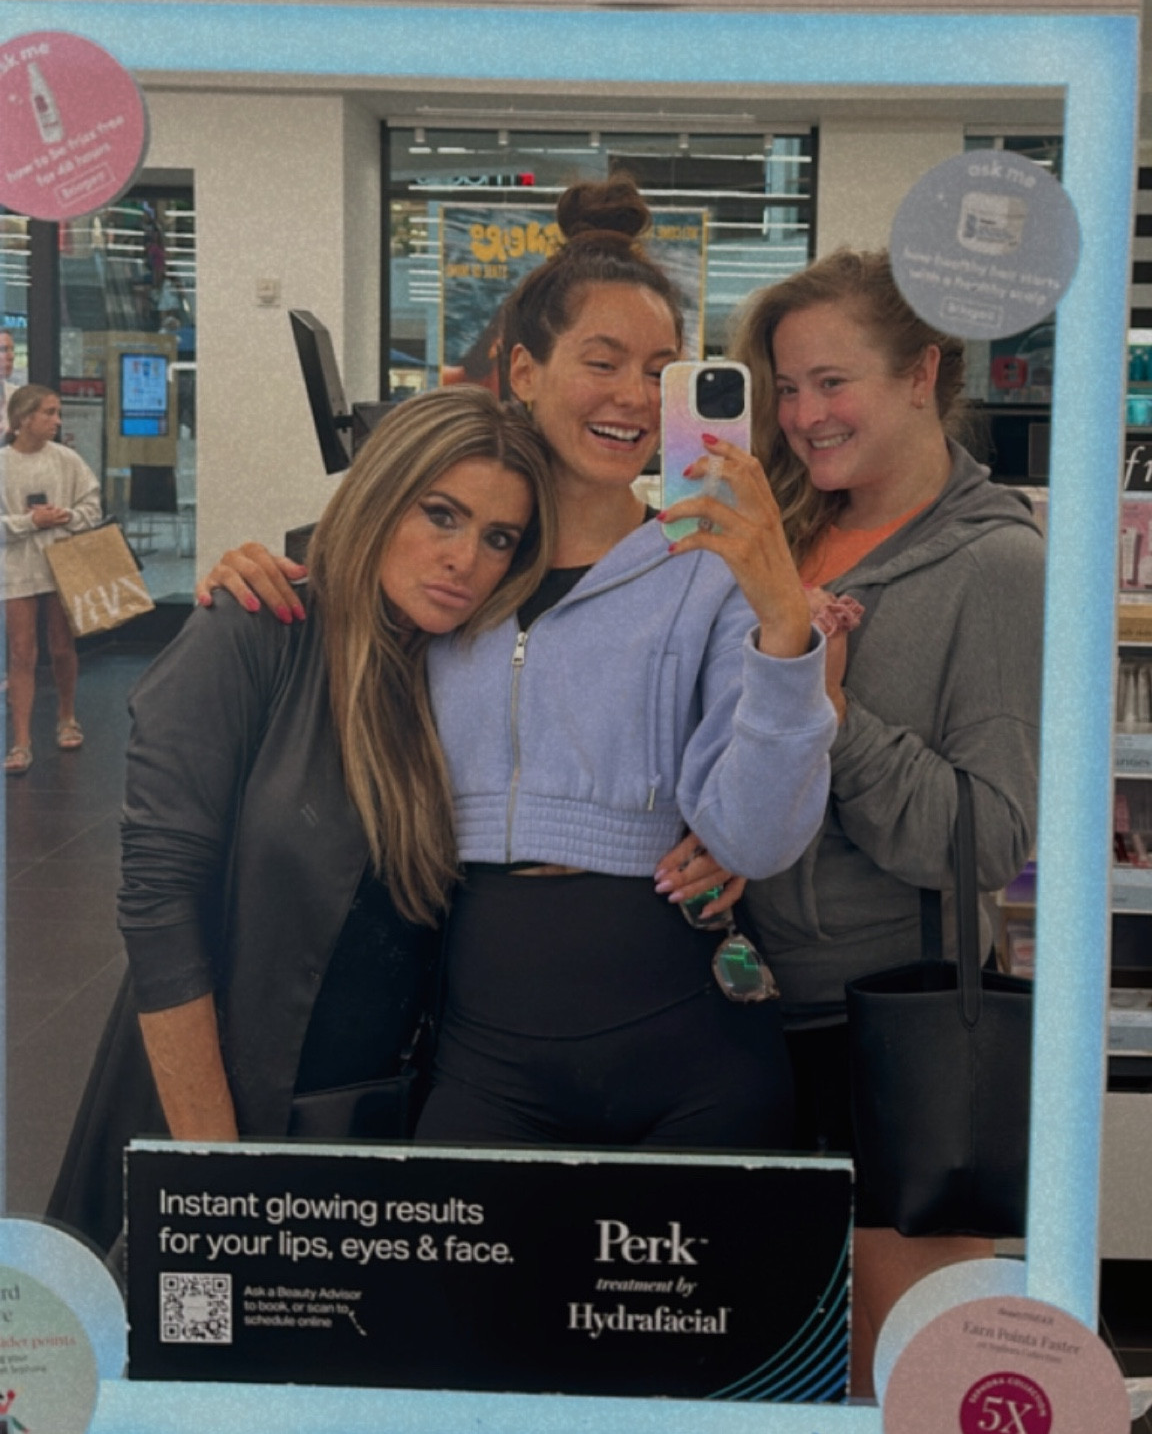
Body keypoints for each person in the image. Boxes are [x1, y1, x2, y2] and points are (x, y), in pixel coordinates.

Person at [199, 175, 838, 1151]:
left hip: (692, 1045)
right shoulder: (457, 568)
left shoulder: (709, 573)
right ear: (525, 370)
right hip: (483, 1042)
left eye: (659, 370)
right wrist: (254, 577)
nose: (633, 396)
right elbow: (344, 612)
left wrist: (785, 619)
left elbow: (753, 838)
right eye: (602, 361)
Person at [47, 387, 555, 1252]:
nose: (465, 558)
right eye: (441, 514)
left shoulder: (467, 674)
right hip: (211, 1111)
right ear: (379, 496)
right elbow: (159, 904)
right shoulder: (258, 629)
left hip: (376, 1123)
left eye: (499, 537)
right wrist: (214, 1171)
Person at [731, 249, 1045, 1397]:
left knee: (905, 1376)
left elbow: (985, 837)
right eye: (787, 387)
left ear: (923, 372)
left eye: (833, 381)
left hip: (894, 1028)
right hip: (739, 1012)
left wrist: (833, 713)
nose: (805, 414)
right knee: (782, 1373)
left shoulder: (998, 563)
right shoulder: (784, 530)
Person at [1, 385, 101, 773]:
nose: (57, 421)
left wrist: (67, 517)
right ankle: (21, 741)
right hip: (16, 567)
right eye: (49, 412)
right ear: (25, 418)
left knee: (62, 646)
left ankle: (67, 716)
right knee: (21, 652)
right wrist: (30, 522)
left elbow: (92, 507)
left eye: (57, 412)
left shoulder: (67, 460)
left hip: (62, 562)